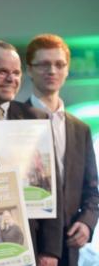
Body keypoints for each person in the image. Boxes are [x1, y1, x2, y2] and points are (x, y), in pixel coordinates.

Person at [0, 40, 62, 265]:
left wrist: (50, 249)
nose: (11, 79)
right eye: (2, 72)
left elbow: (52, 186)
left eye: (16, 72)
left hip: (27, 241)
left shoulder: (36, 118)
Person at [25, 33, 99, 266]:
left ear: (67, 69)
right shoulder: (11, 121)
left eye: (59, 64)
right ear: (30, 69)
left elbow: (92, 189)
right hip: (28, 245)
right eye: (44, 64)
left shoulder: (81, 129)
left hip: (69, 245)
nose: (52, 71)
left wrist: (87, 222)